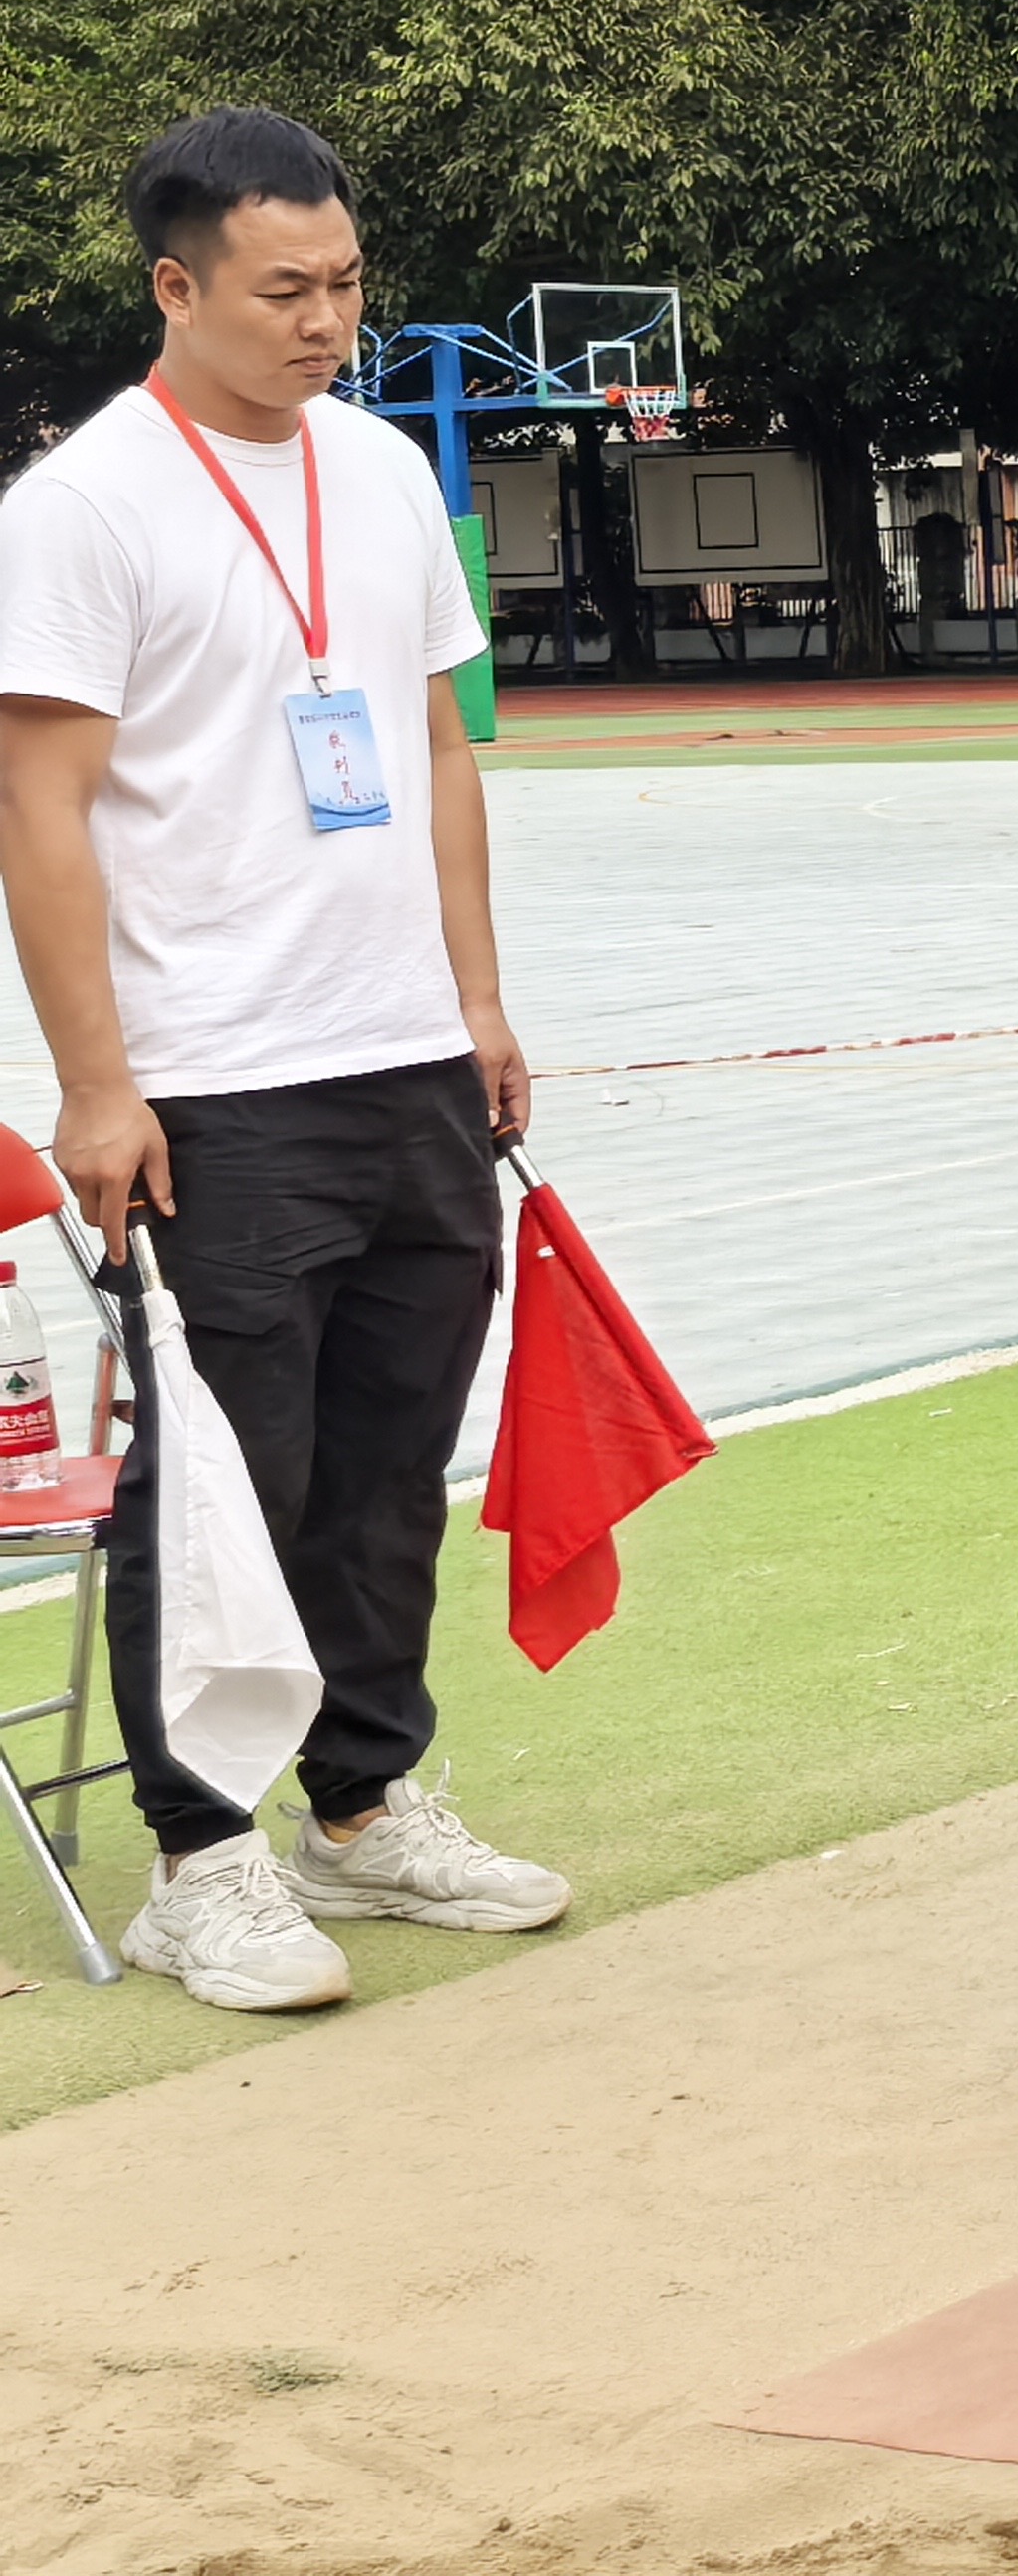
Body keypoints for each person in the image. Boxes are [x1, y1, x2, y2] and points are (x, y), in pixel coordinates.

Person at [0, 108, 564, 2014]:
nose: (327, 321)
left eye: (346, 284)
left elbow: (439, 747)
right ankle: (199, 1856)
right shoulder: (83, 510)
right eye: (283, 290)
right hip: (210, 1079)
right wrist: (98, 1083)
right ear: (176, 286)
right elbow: (39, 809)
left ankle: (365, 1802)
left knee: (390, 1464)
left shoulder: (385, 472)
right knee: (221, 1478)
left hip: (402, 1051)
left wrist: (475, 997)